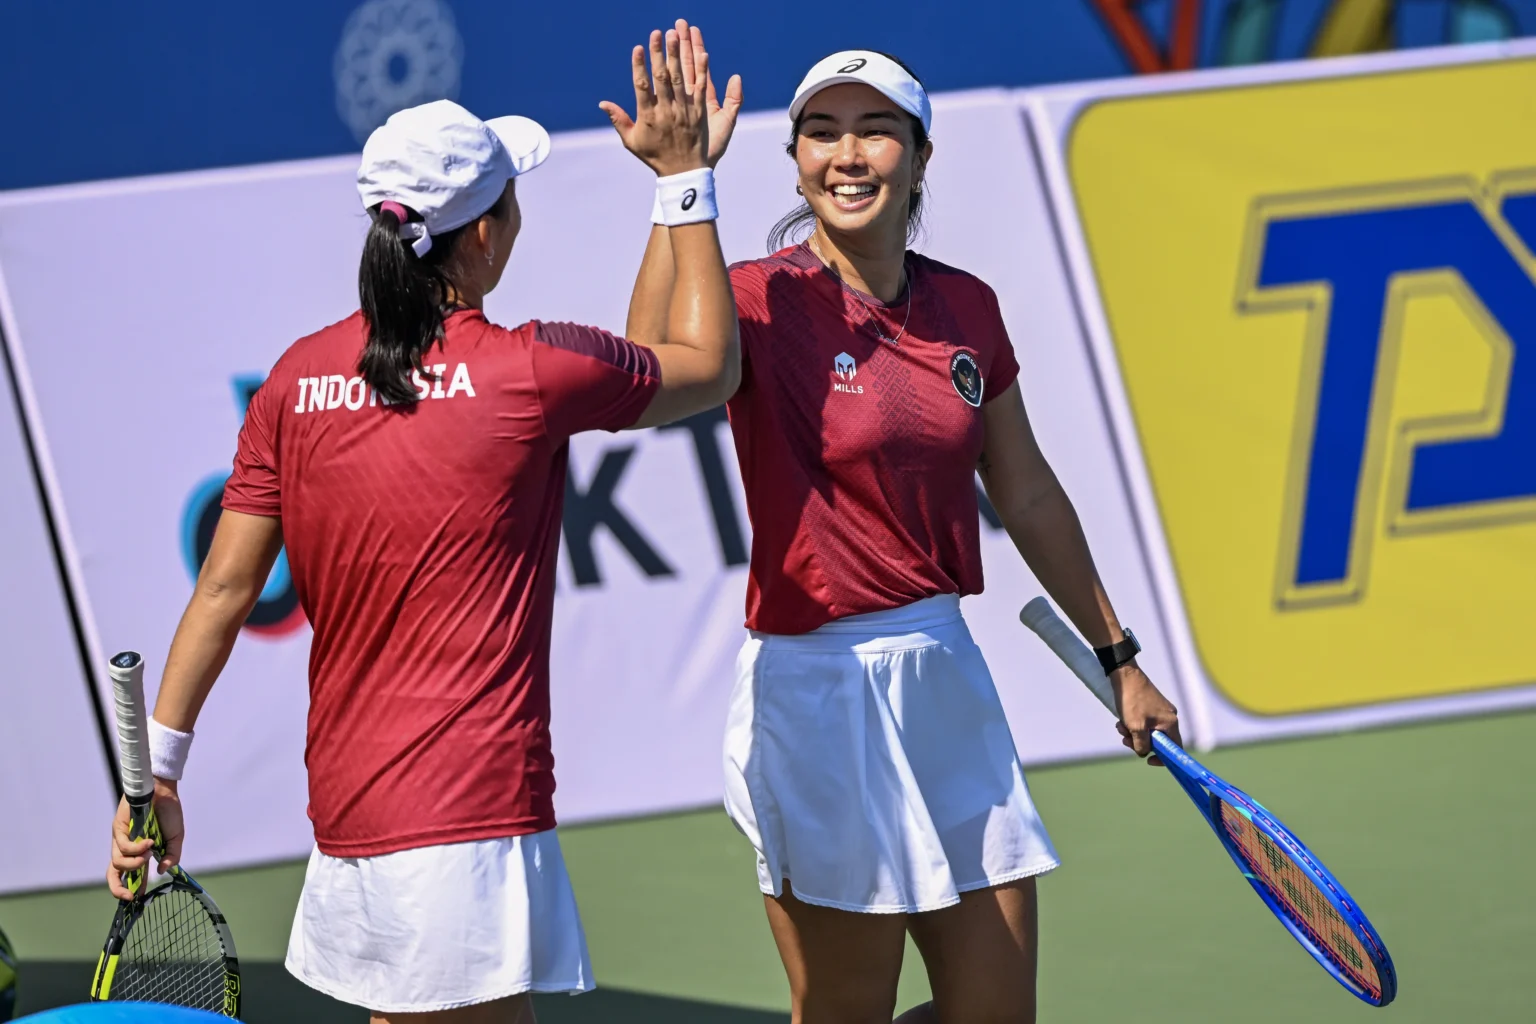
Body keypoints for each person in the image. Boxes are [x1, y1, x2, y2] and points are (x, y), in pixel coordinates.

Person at [107, 23, 738, 1023]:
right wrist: (687, 180)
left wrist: (160, 779)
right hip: (467, 821)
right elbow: (708, 363)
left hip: (353, 818)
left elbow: (223, 593)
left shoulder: (292, 380)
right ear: (482, 235)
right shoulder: (530, 371)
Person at [625, 45, 1181, 1024]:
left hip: (945, 676)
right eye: (823, 133)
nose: (849, 155)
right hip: (817, 693)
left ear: (920, 158)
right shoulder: (760, 296)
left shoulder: (968, 306)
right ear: (796, 160)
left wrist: (1119, 655)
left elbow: (1028, 490)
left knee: (997, 1010)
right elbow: (645, 379)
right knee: (848, 1008)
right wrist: (681, 186)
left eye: (876, 130)